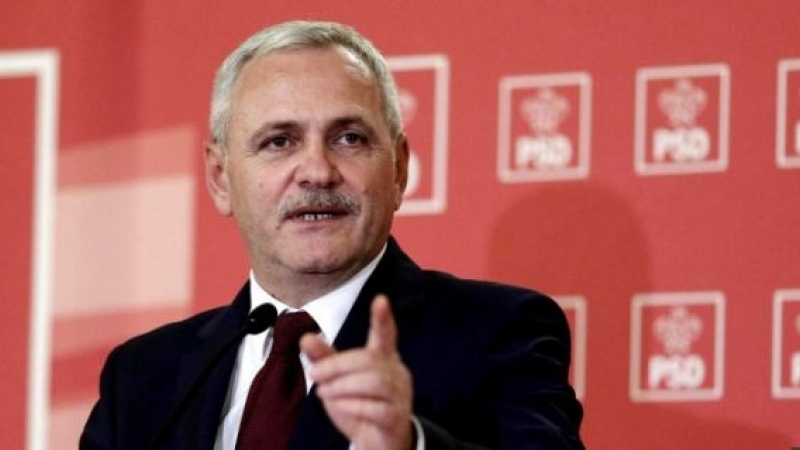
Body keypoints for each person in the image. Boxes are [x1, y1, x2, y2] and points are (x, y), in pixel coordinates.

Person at [80, 20, 584, 450]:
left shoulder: (499, 331)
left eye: (349, 138)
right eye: (280, 141)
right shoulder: (143, 375)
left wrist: (406, 443)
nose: (318, 172)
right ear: (220, 178)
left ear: (399, 169)